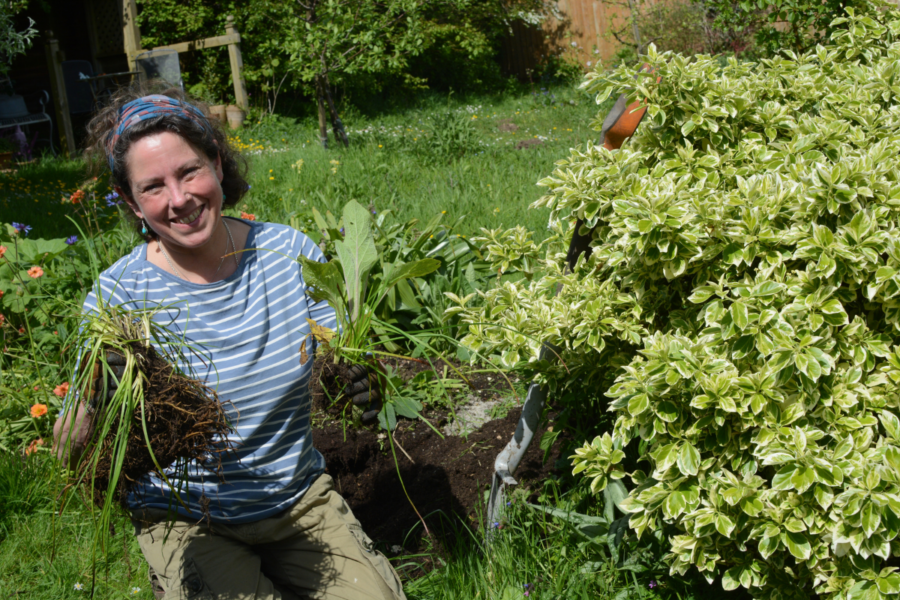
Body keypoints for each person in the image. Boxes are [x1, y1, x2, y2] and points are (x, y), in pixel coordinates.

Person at [52, 88, 405, 600]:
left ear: (217, 163)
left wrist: (362, 381)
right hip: (186, 519)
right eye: (153, 187)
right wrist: (98, 405)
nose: (179, 199)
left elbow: (345, 354)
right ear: (130, 201)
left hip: (297, 500)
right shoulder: (119, 296)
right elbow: (68, 447)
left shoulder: (288, 254)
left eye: (189, 171)